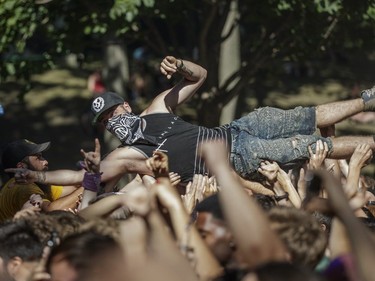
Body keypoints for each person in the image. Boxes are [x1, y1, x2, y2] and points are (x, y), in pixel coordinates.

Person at [5, 56, 375, 191]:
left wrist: (180, 66)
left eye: (114, 112)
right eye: (104, 120)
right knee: (309, 147)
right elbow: (86, 178)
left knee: (307, 115)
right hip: (238, 155)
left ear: (127, 106)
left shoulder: (153, 108)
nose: (112, 120)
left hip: (240, 126)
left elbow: (199, 77)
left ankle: (368, 99)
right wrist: (38, 178)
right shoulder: (125, 155)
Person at [0, 139, 83, 222]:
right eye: (38, 158)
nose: (46, 162)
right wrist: (89, 184)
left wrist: (86, 176)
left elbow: (72, 187)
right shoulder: (23, 187)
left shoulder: (33, 183)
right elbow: (52, 213)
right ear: (21, 166)